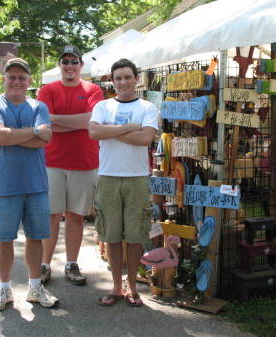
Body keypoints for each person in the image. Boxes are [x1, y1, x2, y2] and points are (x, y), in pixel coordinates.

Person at [0, 57, 59, 312]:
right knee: (4, 240)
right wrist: (30, 132)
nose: (16, 81)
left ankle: (35, 287)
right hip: (4, 185)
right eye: (11, 76)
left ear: (29, 81)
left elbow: (44, 137)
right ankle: (4, 289)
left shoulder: (39, 106)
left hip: (36, 184)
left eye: (21, 77)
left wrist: (6, 136)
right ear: (4, 79)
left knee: (36, 237)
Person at [88, 58, 158, 307]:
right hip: (108, 176)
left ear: (136, 79)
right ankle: (116, 288)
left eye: (128, 77)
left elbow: (145, 139)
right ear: (112, 81)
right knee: (112, 236)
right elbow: (94, 132)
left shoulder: (148, 107)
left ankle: (132, 288)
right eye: (118, 78)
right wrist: (128, 127)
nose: (123, 82)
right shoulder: (103, 106)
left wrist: (112, 130)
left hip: (137, 177)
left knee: (135, 236)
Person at [37, 45, 104, 286]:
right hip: (52, 161)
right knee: (52, 216)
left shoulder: (92, 89)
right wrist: (76, 123)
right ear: (60, 65)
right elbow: (43, 121)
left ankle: (71, 264)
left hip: (84, 163)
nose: (69, 66)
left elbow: (91, 121)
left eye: (74, 61)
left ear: (81, 65)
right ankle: (44, 265)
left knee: (75, 216)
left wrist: (57, 120)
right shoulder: (48, 89)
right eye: (65, 61)